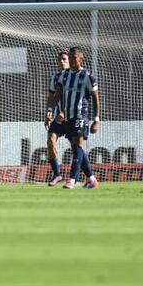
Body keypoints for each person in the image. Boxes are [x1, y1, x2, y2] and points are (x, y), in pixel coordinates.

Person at [47, 46, 100, 190]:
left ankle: (72, 179)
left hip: (81, 115)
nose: (71, 60)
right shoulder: (64, 76)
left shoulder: (87, 76)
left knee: (78, 147)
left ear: (80, 59)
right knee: (77, 149)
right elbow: (57, 94)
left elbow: (95, 98)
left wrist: (96, 119)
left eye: (73, 58)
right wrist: (50, 109)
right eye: (69, 57)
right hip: (67, 117)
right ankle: (91, 179)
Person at [44, 51, 71, 186]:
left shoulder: (74, 77)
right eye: (59, 59)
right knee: (50, 141)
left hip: (73, 116)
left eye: (64, 59)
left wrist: (65, 112)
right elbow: (52, 97)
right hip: (59, 117)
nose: (62, 61)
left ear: (70, 61)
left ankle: (76, 177)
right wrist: (49, 111)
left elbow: (78, 99)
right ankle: (57, 174)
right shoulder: (54, 78)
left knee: (77, 148)